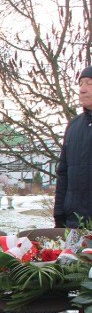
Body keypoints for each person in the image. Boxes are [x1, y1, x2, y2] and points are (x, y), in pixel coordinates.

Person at [54, 66, 92, 228]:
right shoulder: (73, 126)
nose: (82, 90)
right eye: (81, 84)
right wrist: (59, 214)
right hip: (73, 222)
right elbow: (63, 173)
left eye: (90, 84)